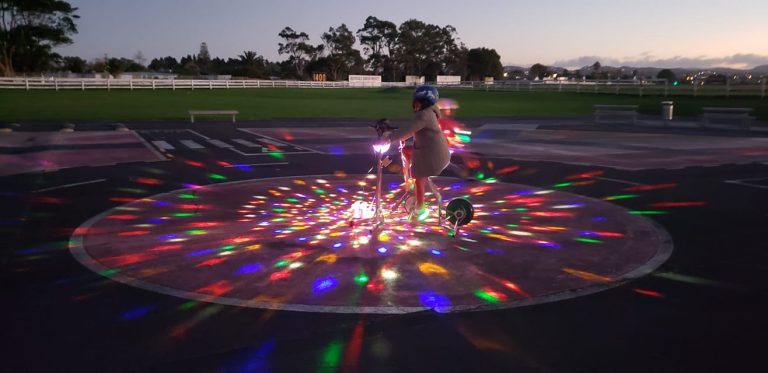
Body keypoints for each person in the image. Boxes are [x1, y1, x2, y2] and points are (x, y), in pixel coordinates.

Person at [385, 85, 451, 222]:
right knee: (410, 159)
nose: (414, 105)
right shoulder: (429, 112)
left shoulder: (424, 114)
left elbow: (410, 129)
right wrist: (396, 134)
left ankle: (421, 209)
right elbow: (412, 128)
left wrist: (389, 138)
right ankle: (419, 199)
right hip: (435, 151)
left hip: (434, 156)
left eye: (417, 102)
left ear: (424, 102)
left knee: (419, 178)